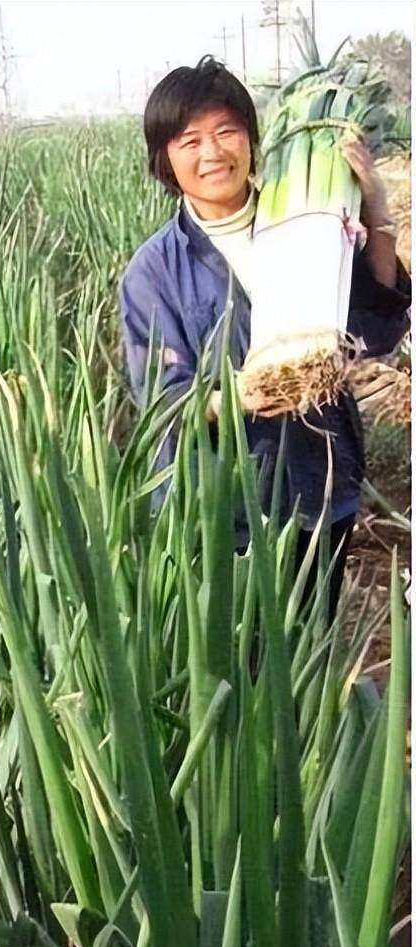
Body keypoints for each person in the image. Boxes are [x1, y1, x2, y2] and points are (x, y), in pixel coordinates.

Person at [119, 57, 410, 617]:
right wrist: (240, 397)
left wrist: (375, 208)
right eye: (190, 140)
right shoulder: (153, 271)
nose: (212, 153)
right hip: (221, 506)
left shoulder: (309, 219)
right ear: (165, 160)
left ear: (253, 140)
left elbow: (375, 330)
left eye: (227, 132)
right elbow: (163, 399)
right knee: (243, 664)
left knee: (311, 651)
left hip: (320, 483)